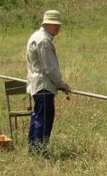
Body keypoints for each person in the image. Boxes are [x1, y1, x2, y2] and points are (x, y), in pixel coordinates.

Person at [26, 10, 72, 154]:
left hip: (38, 85)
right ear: (47, 24)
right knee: (44, 120)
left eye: (59, 25)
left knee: (38, 117)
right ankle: (39, 150)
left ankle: (34, 148)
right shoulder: (43, 41)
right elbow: (50, 68)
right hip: (43, 86)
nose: (58, 28)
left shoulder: (37, 37)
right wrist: (61, 84)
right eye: (55, 25)